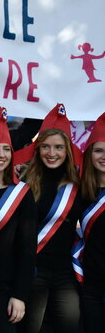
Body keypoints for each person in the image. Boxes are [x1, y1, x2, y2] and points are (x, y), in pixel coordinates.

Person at [15, 104, 83, 333]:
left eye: (58, 147)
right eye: (45, 146)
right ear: (37, 148)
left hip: (65, 272)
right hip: (33, 271)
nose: (51, 153)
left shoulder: (79, 185)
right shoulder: (24, 181)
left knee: (70, 325)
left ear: (68, 150)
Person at [0, 107, 36, 333]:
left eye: (6, 149)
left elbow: (27, 249)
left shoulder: (22, 193)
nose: (1, 155)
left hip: (5, 286)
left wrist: (19, 294)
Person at [77, 112, 105, 332]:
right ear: (89, 154)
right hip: (91, 284)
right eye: (98, 151)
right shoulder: (79, 191)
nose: (104, 156)